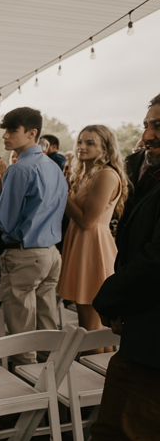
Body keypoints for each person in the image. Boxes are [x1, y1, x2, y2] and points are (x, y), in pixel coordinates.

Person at [90, 95, 160, 440]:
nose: (147, 135)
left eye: (157, 125)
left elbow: (155, 262)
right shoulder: (148, 173)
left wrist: (108, 300)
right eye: (147, 125)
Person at [0, 107, 67, 365]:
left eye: (12, 130)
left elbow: (5, 222)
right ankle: (52, 391)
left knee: (22, 336)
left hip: (24, 255)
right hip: (51, 254)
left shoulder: (19, 170)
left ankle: (28, 395)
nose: (5, 136)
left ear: (32, 133)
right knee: (47, 327)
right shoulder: (53, 167)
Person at [56, 126, 127, 345]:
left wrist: (60, 192)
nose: (82, 147)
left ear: (105, 147)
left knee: (91, 327)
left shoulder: (106, 174)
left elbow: (88, 221)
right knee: (87, 322)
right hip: (80, 243)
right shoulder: (86, 174)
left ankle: (90, 375)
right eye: (80, 142)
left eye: (90, 143)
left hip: (93, 246)